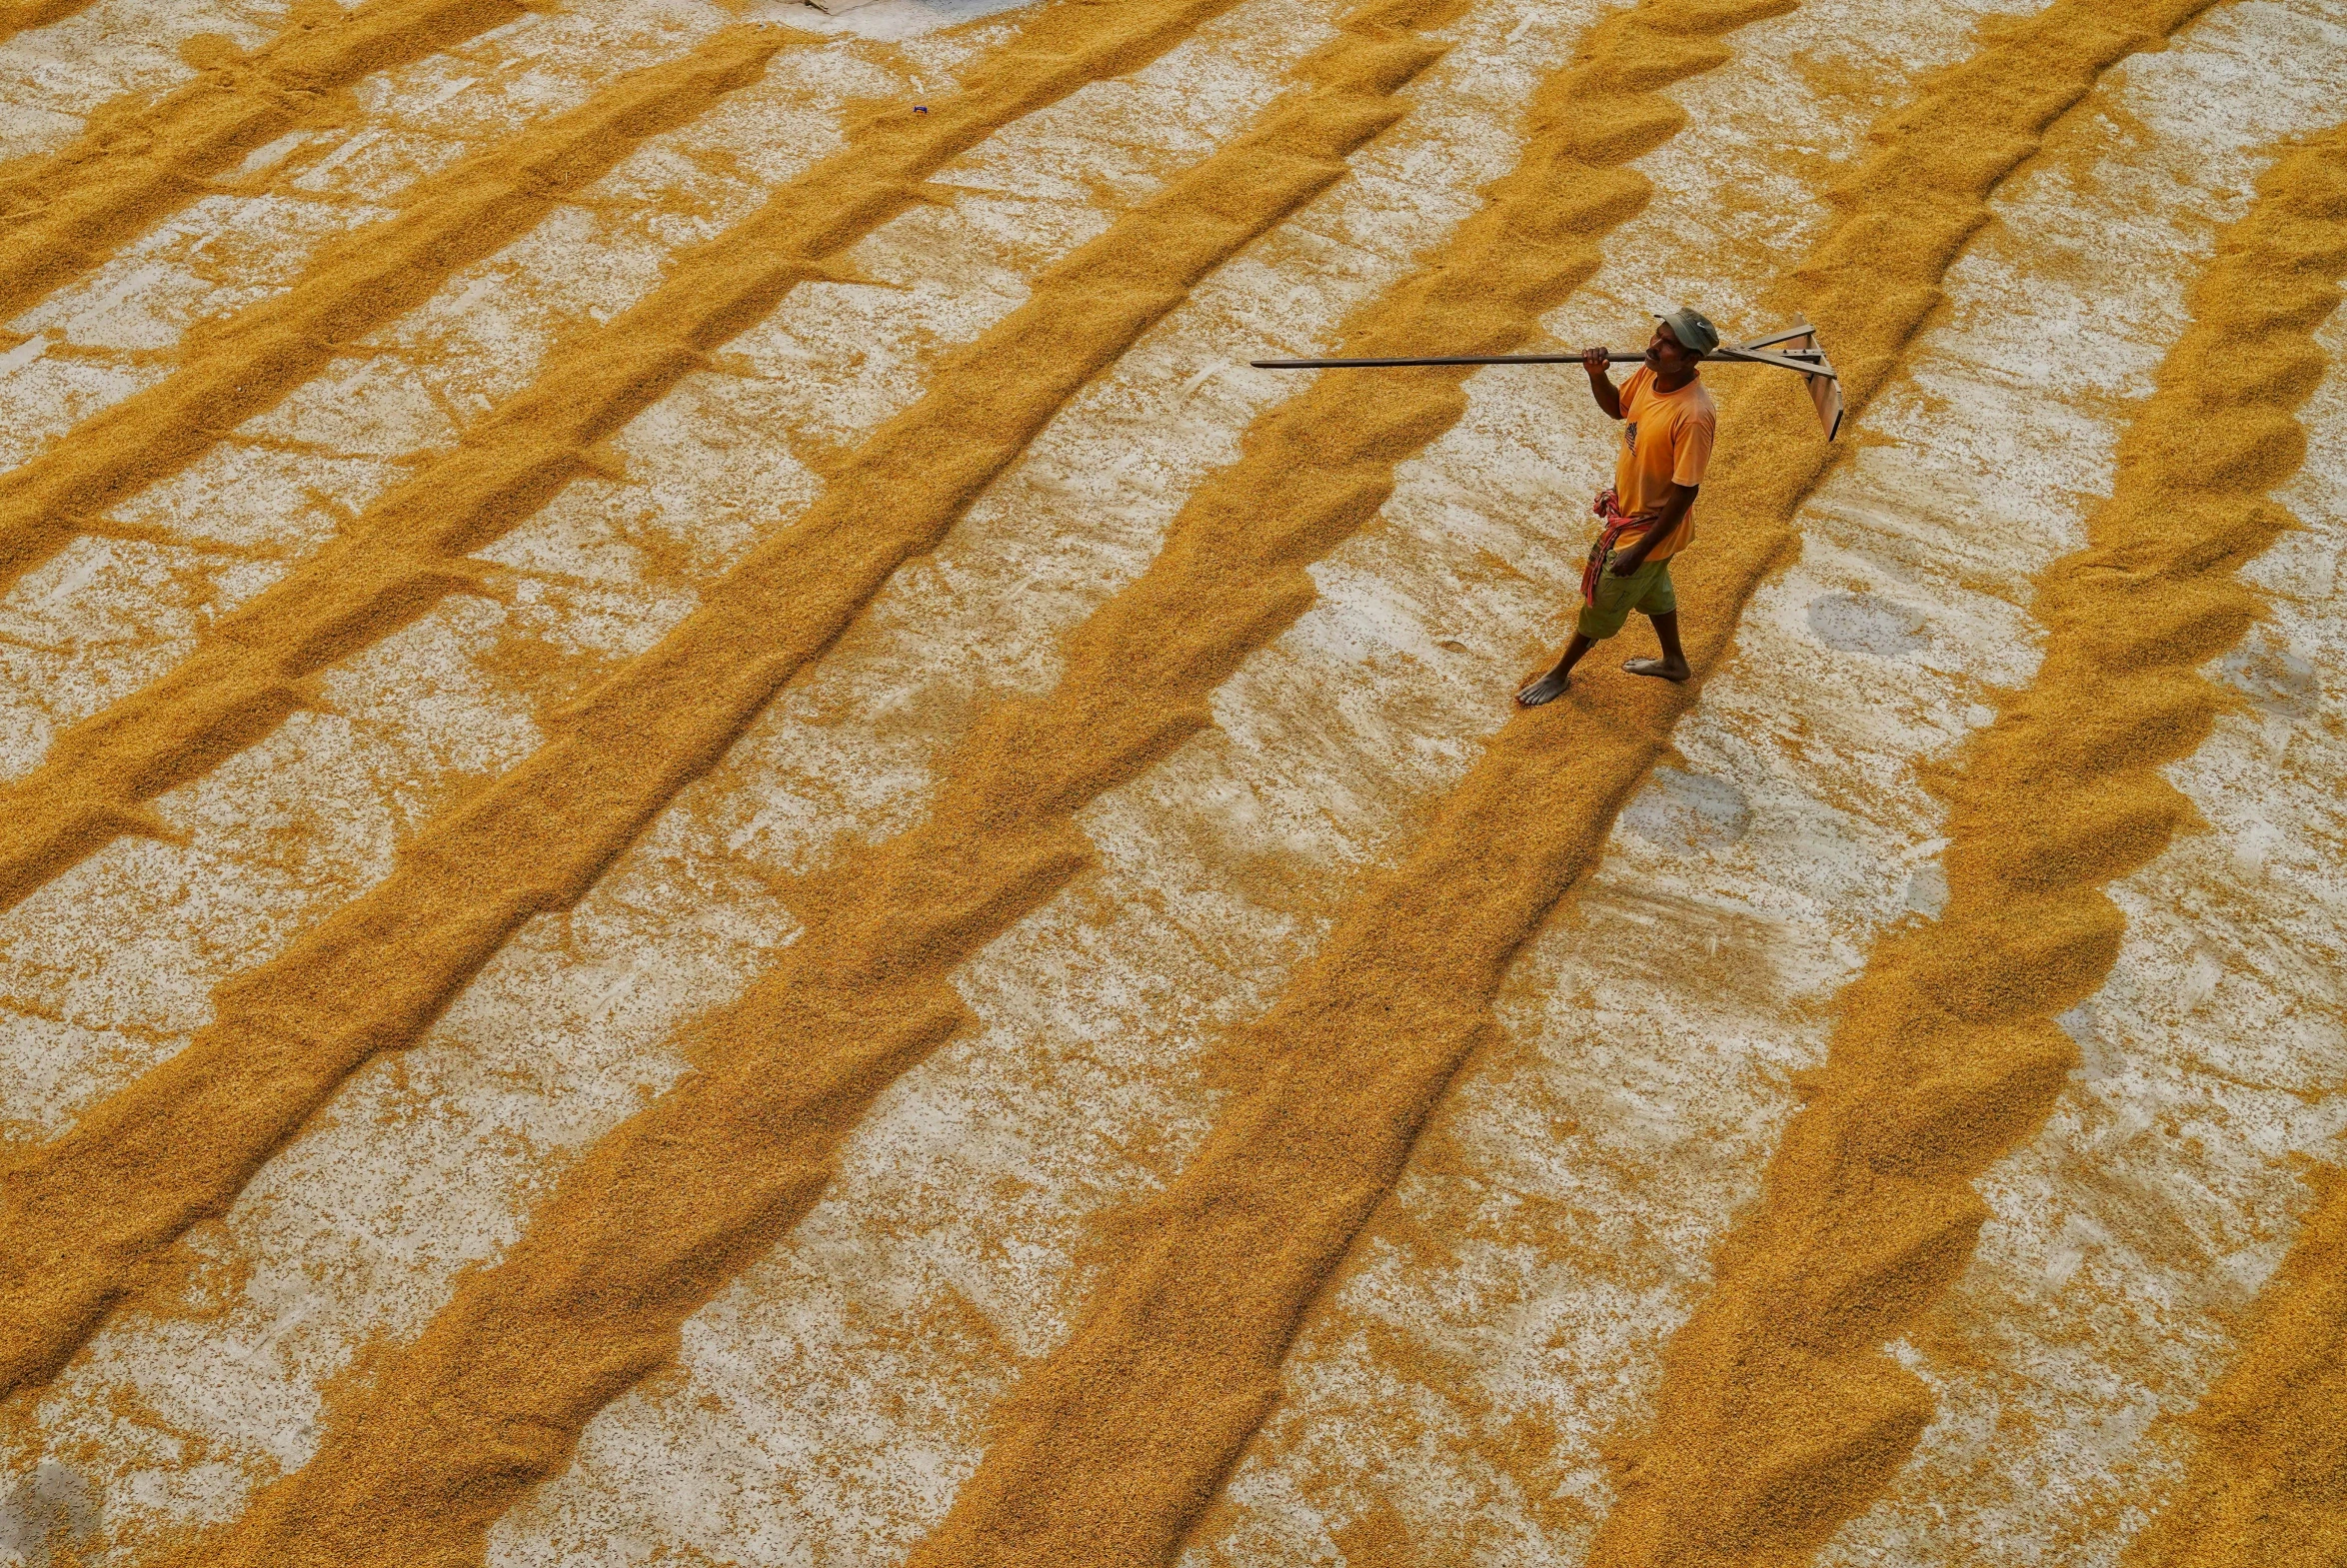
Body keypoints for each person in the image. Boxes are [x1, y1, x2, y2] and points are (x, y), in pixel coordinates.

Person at [1516, 306, 1720, 707]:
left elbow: (1685, 493)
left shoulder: (1694, 415)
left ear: (1691, 359)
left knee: (1602, 603)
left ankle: (1560, 674)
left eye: (1668, 345)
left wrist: (1638, 551)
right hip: (1634, 518)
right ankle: (1675, 662)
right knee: (1654, 591)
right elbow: (1617, 408)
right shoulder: (1651, 373)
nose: (1655, 346)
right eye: (1657, 337)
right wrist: (1598, 375)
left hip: (1648, 531)